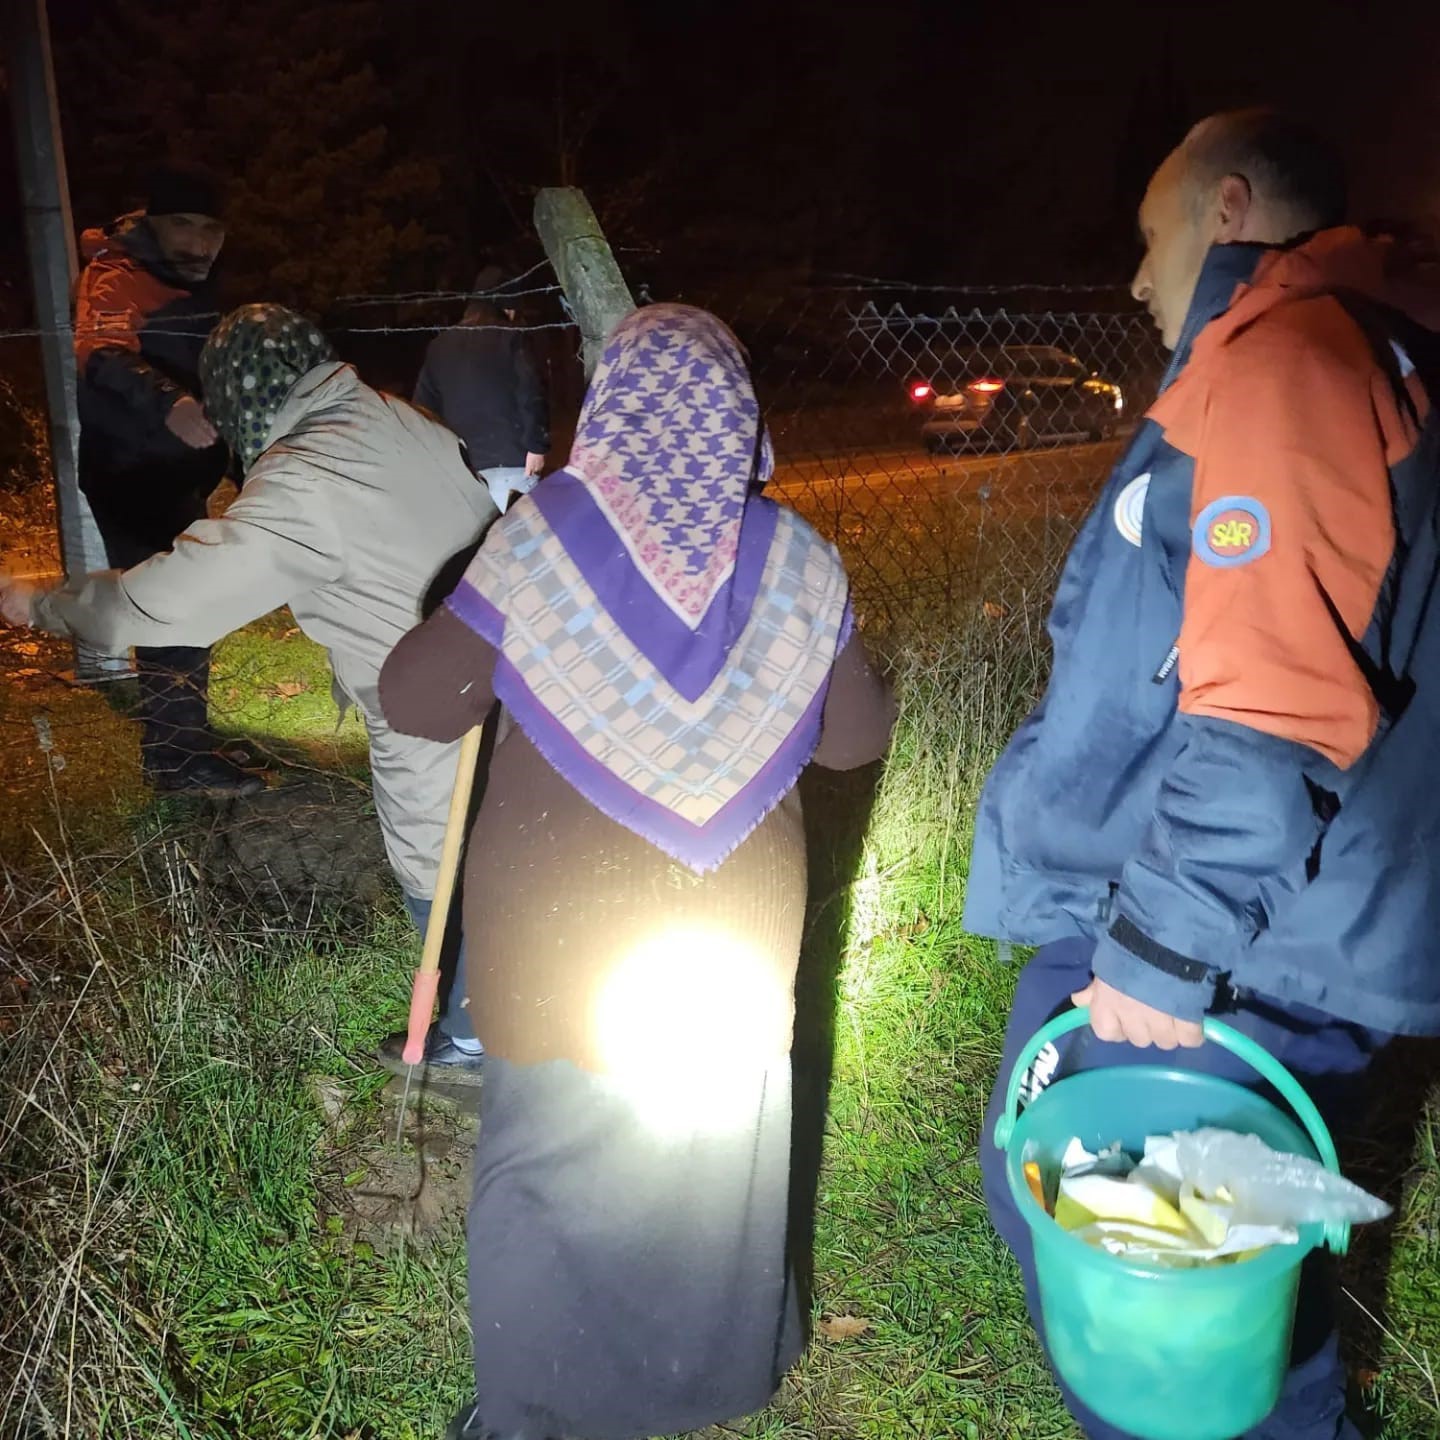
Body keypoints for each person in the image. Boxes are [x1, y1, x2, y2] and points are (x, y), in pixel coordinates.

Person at [965, 108, 1440, 1438]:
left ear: (1227, 211)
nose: (1133, 277)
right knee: (1212, 1267)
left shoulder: (1286, 362)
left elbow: (1276, 684)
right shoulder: (1361, 349)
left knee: (1164, 1292)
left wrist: (1167, 946)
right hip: (1287, 918)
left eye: (1149, 237)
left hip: (1221, 935)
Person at [378, 303, 895, 1440]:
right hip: (734, 942)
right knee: (712, 1163)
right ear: (741, 422)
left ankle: (535, 1412)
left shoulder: (544, 536)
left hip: (557, 944)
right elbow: (855, 740)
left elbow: (414, 699)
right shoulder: (802, 556)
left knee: (549, 1168)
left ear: (608, 411)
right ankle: (708, 1378)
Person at [0, 304, 500, 1076]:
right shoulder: (395, 418)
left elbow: (165, 602)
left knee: (439, 857)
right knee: (496, 840)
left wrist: (46, 604)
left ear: (238, 405)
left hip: (432, 695)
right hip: (504, 664)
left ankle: (473, 1040)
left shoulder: (306, 474)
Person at [74, 163, 255, 795]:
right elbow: (100, 354)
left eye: (212, 229)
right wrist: (169, 404)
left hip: (175, 477)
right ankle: (176, 762)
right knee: (172, 610)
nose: (200, 241)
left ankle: (183, 739)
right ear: (152, 223)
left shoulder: (183, 280)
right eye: (184, 225)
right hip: (132, 477)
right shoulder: (120, 274)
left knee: (182, 606)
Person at [413, 265, 550, 514]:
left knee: (482, 550)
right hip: (513, 462)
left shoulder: (439, 346)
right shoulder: (511, 336)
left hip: (464, 473)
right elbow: (529, 392)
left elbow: (422, 409)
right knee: (521, 546)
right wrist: (536, 446)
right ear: (506, 306)